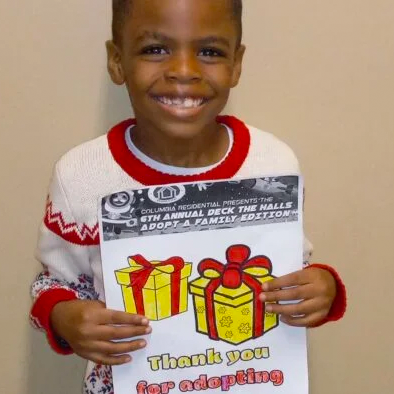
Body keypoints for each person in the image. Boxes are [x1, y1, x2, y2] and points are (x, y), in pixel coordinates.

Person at [30, 0, 347, 392]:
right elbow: (53, 284)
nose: (183, 71)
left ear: (237, 64)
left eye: (210, 52)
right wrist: (64, 317)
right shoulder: (81, 175)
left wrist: (321, 289)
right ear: (116, 61)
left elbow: (292, 271)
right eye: (155, 49)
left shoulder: (273, 163)